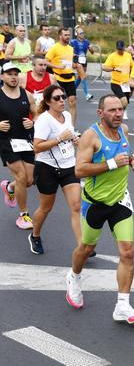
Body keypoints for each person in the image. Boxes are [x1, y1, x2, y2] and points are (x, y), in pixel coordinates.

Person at [65, 94, 134, 323]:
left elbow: (125, 155)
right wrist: (111, 164)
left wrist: (133, 161)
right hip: (95, 203)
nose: (118, 114)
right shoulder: (91, 136)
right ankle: (74, 277)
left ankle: (123, 305)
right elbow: (79, 170)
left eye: (120, 109)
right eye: (112, 110)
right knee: (86, 248)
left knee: (128, 251)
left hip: (120, 199)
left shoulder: (124, 130)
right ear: (101, 113)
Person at [29, 84, 81, 254]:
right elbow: (37, 147)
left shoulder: (66, 115)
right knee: (46, 208)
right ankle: (35, 235)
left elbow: (70, 136)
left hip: (68, 166)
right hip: (47, 168)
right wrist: (59, 138)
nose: (62, 101)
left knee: (76, 206)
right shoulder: (44, 120)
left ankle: (82, 246)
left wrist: (75, 140)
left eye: (63, 97)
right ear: (48, 101)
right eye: (57, 98)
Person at [0, 62, 38, 229]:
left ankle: (9, 187)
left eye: (15, 73)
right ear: (2, 76)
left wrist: (32, 121)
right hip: (6, 142)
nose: (13, 77)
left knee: (29, 181)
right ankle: (24, 215)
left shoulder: (27, 95)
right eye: (9, 74)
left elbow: (37, 113)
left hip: (25, 141)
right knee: (21, 177)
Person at [45, 28, 78, 126]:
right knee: (57, 102)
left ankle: (71, 126)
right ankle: (56, 124)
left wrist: (74, 65)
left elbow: (69, 62)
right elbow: (46, 61)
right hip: (58, 78)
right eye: (65, 35)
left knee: (72, 102)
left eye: (68, 35)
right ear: (60, 36)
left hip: (69, 77)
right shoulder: (55, 47)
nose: (68, 37)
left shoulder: (71, 48)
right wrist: (57, 66)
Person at [102, 40, 133, 120]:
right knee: (124, 100)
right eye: (118, 49)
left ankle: (119, 111)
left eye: (121, 49)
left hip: (126, 83)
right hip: (116, 83)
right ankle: (119, 114)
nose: (120, 51)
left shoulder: (128, 55)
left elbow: (132, 67)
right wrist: (114, 69)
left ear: (124, 48)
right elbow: (104, 67)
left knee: (124, 101)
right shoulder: (112, 56)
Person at [71, 26, 95, 101]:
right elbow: (68, 51)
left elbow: (92, 52)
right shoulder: (73, 42)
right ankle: (87, 94)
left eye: (83, 33)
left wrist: (91, 49)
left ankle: (71, 91)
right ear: (77, 34)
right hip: (77, 60)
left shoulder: (87, 42)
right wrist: (72, 59)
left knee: (80, 77)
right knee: (83, 76)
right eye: (80, 33)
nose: (82, 35)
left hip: (84, 60)